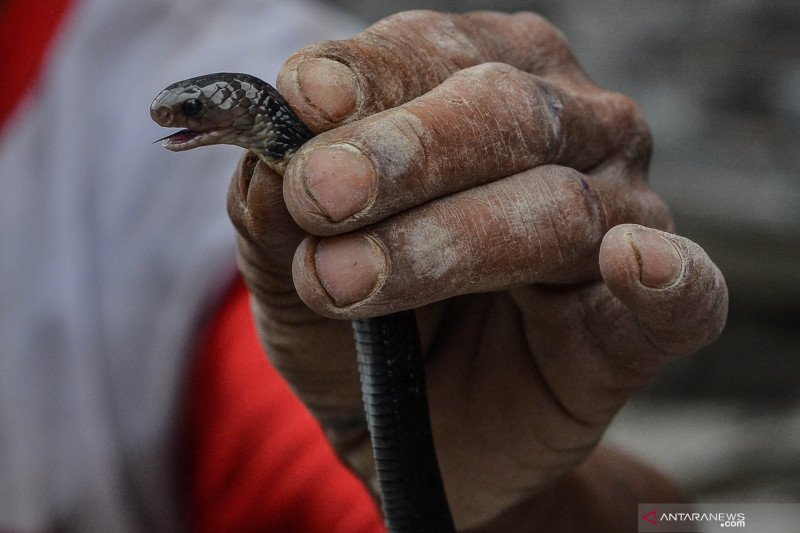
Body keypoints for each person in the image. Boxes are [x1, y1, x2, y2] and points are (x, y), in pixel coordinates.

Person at [0, 2, 727, 532]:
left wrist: (528, 513)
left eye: (192, 109)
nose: (172, 117)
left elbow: (707, 523)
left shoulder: (151, 190)